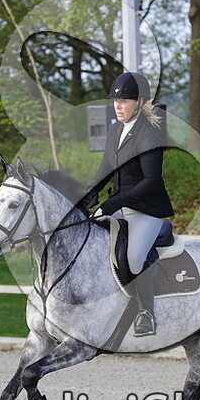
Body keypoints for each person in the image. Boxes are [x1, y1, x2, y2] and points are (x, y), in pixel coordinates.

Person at [82, 72, 173, 337]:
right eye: (115, 101)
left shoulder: (149, 134)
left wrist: (114, 202)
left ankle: (147, 313)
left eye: (124, 101)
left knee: (133, 258)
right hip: (120, 206)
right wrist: (91, 192)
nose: (118, 106)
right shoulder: (115, 130)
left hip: (146, 210)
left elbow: (151, 180)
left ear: (140, 102)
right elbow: (106, 166)